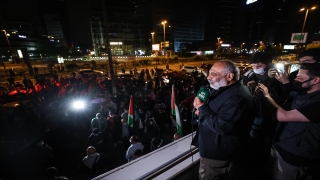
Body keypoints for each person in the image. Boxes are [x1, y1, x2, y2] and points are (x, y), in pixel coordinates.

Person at [192, 60, 255, 180]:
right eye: (209, 73)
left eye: (214, 74)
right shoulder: (224, 89)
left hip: (219, 158)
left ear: (230, 76)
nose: (208, 77)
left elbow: (222, 126)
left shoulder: (237, 97)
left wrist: (202, 108)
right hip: (216, 152)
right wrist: (201, 112)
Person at [257, 63, 320, 180]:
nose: (296, 80)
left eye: (300, 78)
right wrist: (283, 81)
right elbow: (290, 93)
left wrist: (266, 96)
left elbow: (283, 116)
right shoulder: (305, 91)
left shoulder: (317, 103)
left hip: (296, 156)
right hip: (282, 147)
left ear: (316, 80)